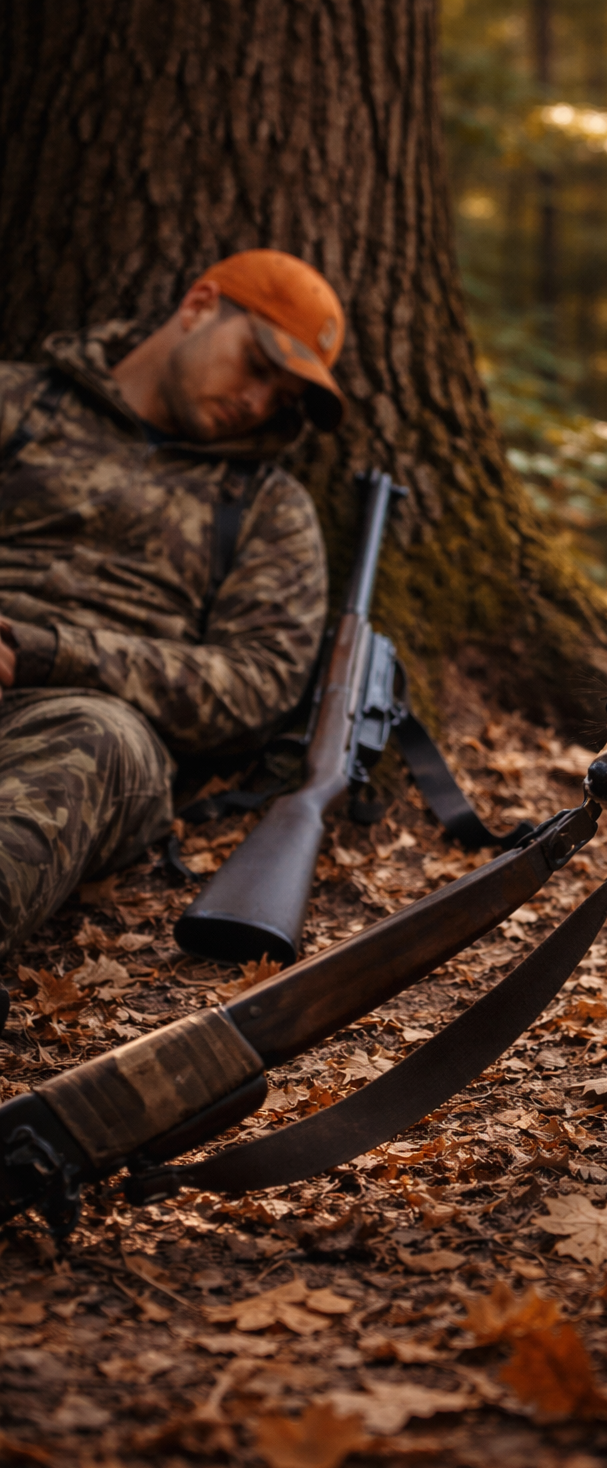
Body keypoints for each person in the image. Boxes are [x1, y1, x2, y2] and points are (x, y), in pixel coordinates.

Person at [0, 249, 343, 989]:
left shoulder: (266, 507)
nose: (257, 401)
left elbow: (258, 682)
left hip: (80, 721)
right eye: (255, 364)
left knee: (95, 742)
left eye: (280, 397)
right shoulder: (17, 403)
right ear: (198, 306)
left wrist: (43, 653)